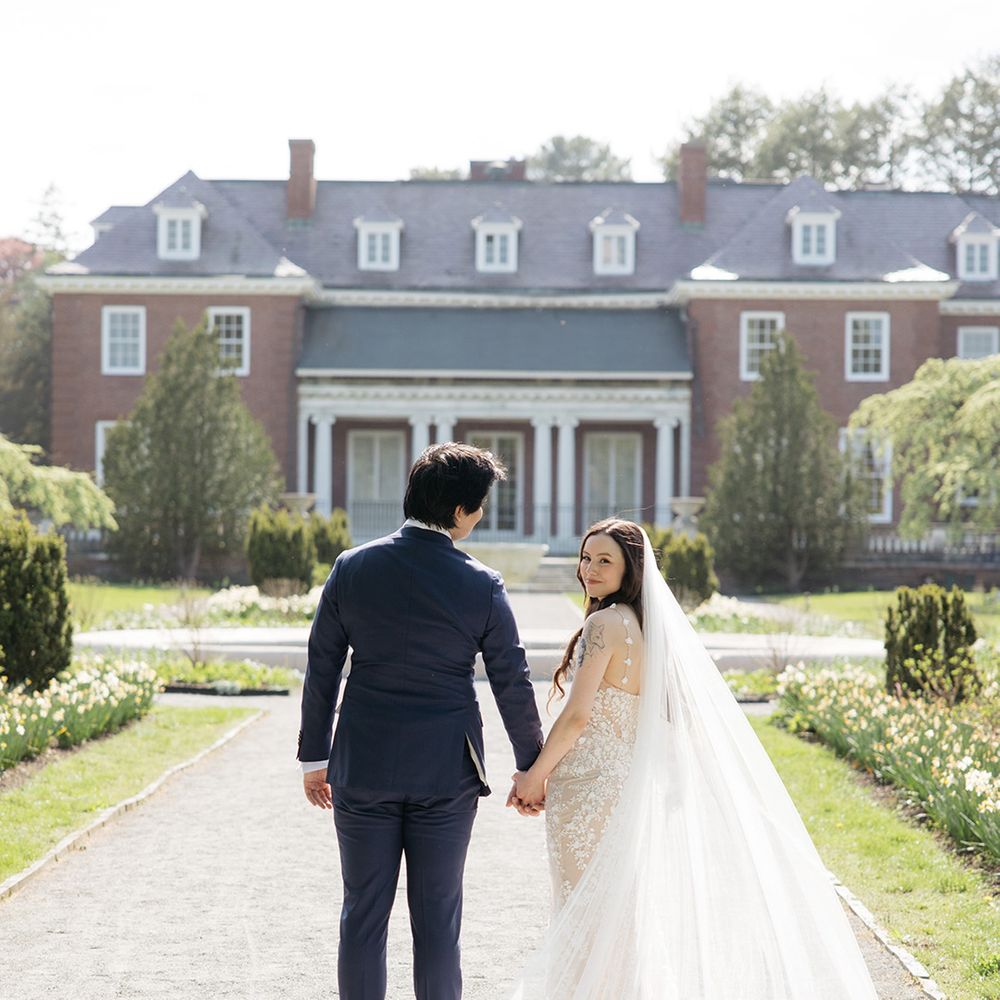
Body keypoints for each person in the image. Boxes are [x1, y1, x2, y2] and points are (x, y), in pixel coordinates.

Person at [508, 518, 879, 999]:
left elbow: (578, 717)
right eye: (586, 557)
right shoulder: (646, 629)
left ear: (631, 570)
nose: (590, 569)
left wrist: (535, 778)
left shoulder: (603, 624)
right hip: (619, 787)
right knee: (617, 915)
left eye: (605, 561)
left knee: (585, 914)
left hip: (588, 790)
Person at [298, 443, 544, 1000]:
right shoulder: (482, 582)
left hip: (361, 765)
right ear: (459, 510)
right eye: (479, 506)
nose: (480, 516)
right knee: (438, 921)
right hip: (446, 773)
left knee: (361, 912)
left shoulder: (351, 567)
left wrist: (316, 758)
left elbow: (322, 669)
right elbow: (512, 679)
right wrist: (532, 767)